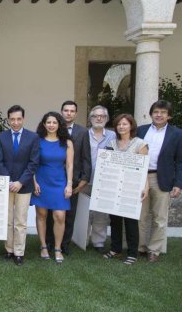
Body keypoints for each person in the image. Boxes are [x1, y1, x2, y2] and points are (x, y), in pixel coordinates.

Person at [138, 100, 182, 262]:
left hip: (163, 179)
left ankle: (154, 250)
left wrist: (178, 184)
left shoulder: (177, 134)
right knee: (141, 215)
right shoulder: (140, 130)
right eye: (156, 112)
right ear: (151, 114)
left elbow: (180, 161)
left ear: (169, 116)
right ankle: (141, 247)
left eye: (163, 112)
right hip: (141, 177)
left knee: (160, 217)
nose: (159, 115)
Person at [0, 105, 39, 266]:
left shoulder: (33, 137)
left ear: (23, 119)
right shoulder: (1, 137)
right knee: (7, 220)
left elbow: (33, 163)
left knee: (20, 220)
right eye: (12, 119)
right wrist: (8, 181)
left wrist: (20, 182)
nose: (15, 122)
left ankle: (19, 252)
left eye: (18, 119)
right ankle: (9, 249)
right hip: (6, 185)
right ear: (8, 120)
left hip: (24, 186)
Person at [102, 114, 149, 265]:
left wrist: (146, 187)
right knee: (114, 220)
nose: (121, 127)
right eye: (119, 124)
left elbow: (144, 169)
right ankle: (115, 249)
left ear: (131, 126)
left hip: (131, 188)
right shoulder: (112, 143)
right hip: (115, 187)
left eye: (125, 124)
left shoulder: (140, 144)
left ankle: (132, 253)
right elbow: (106, 165)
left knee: (130, 222)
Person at [46, 100, 91, 255]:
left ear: (76, 114)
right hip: (53, 178)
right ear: (61, 112)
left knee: (69, 214)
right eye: (66, 110)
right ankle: (50, 243)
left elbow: (86, 156)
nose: (69, 113)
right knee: (52, 214)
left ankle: (65, 244)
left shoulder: (83, 132)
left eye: (72, 111)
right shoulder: (52, 130)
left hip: (74, 180)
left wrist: (84, 179)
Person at [32, 111, 74, 264]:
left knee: (59, 216)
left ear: (59, 124)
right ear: (44, 124)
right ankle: (43, 246)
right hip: (41, 181)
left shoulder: (67, 143)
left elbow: (69, 165)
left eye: (54, 122)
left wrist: (69, 184)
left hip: (59, 181)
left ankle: (57, 248)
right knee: (41, 215)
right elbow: (33, 164)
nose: (51, 125)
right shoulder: (37, 141)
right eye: (48, 122)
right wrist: (34, 182)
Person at [86, 105, 116, 252]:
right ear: (90, 119)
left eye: (102, 116)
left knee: (101, 213)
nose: (99, 118)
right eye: (95, 116)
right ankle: (82, 240)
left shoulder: (113, 136)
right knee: (83, 211)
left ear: (106, 119)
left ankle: (98, 242)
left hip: (105, 181)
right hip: (85, 180)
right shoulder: (83, 134)